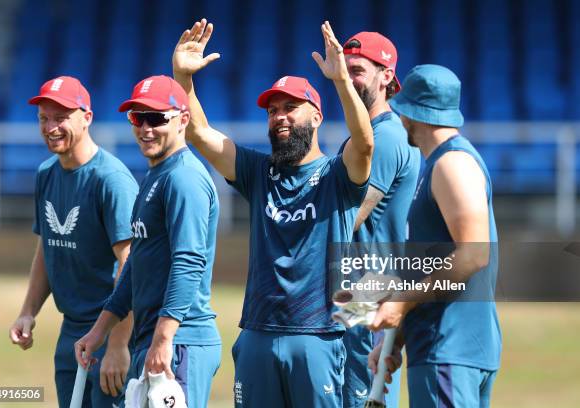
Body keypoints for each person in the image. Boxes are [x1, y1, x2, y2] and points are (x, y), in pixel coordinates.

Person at [172, 19, 373, 407]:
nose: (279, 117)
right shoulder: (258, 172)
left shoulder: (338, 175)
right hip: (257, 337)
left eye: (291, 108)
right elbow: (197, 133)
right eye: (272, 110)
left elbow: (364, 145)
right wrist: (182, 77)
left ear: (316, 116)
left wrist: (342, 82)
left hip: (317, 338)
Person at [74, 75, 222, 408]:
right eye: (137, 118)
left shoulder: (184, 177)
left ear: (183, 119)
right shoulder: (157, 175)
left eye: (156, 118)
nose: (145, 128)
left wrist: (164, 337)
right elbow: (136, 265)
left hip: (179, 341)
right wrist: (100, 331)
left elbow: (188, 261)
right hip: (154, 340)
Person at [367, 65, 501, 407]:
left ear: (410, 113)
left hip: (449, 349)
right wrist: (397, 340)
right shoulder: (442, 163)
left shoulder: (451, 163)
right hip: (448, 348)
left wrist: (401, 302)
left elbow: (473, 255)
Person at [9, 76, 138, 407]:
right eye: (44, 118)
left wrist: (119, 344)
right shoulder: (46, 173)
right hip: (72, 332)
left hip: (110, 329)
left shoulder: (111, 180)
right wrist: (28, 312)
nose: (51, 127)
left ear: (87, 118)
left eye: (61, 117)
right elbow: (48, 246)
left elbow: (132, 264)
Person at [337, 31, 420, 408]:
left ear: (386, 76)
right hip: (368, 287)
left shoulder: (385, 138)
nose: (349, 78)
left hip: (368, 289)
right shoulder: (373, 135)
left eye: (358, 69)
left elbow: (348, 218)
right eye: (345, 69)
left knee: (357, 397)